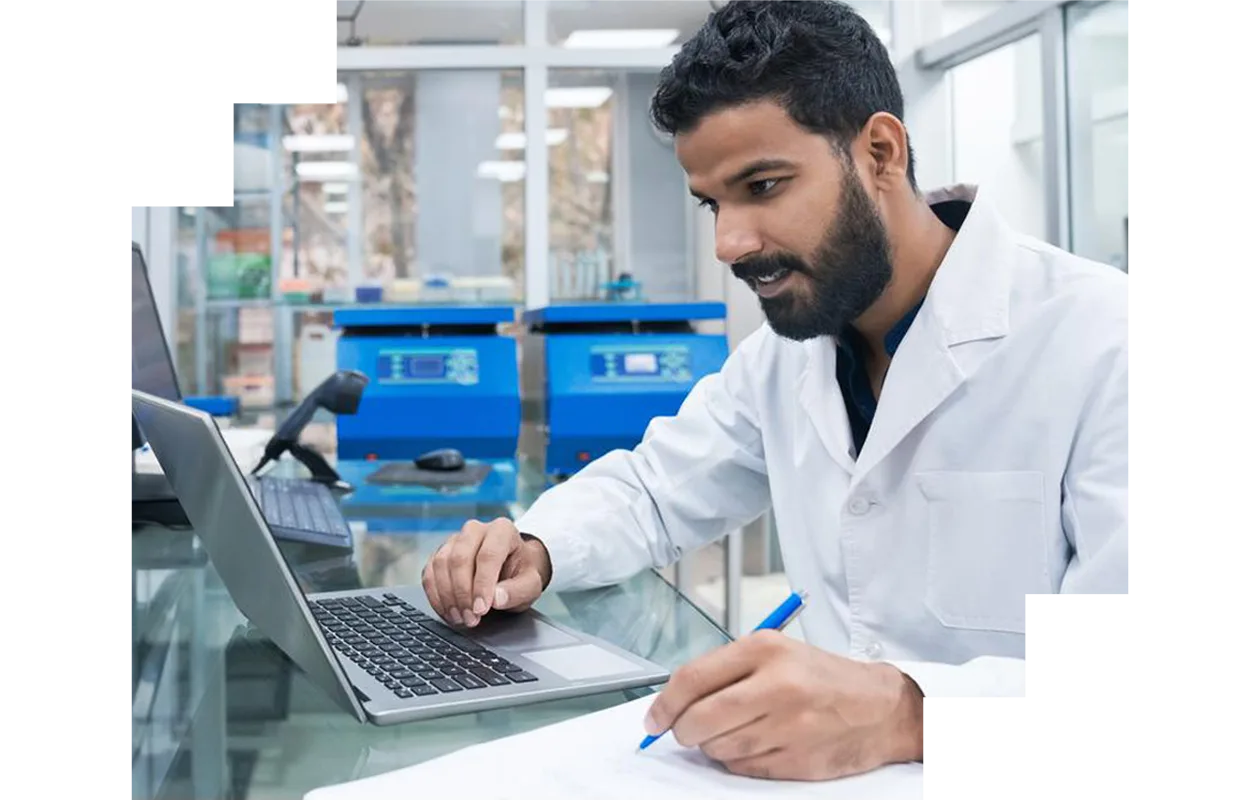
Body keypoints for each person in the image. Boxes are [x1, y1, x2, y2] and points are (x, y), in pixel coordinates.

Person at [422, 0, 1134, 781]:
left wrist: (908, 711)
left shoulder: (1104, 342)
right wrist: (536, 545)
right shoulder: (785, 357)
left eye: (763, 185)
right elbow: (656, 490)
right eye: (713, 203)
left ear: (882, 151)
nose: (729, 242)